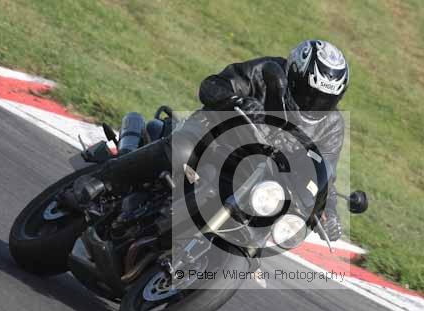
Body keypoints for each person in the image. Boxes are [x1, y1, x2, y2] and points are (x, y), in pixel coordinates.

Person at [101, 40, 349, 241]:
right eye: (309, 93)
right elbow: (212, 86)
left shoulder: (331, 125)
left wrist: (328, 212)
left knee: (266, 220)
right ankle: (104, 178)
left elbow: (324, 173)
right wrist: (238, 102)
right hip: (215, 139)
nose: (314, 103)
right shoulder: (267, 72)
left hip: (256, 174)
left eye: (324, 99)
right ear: (293, 75)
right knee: (181, 150)